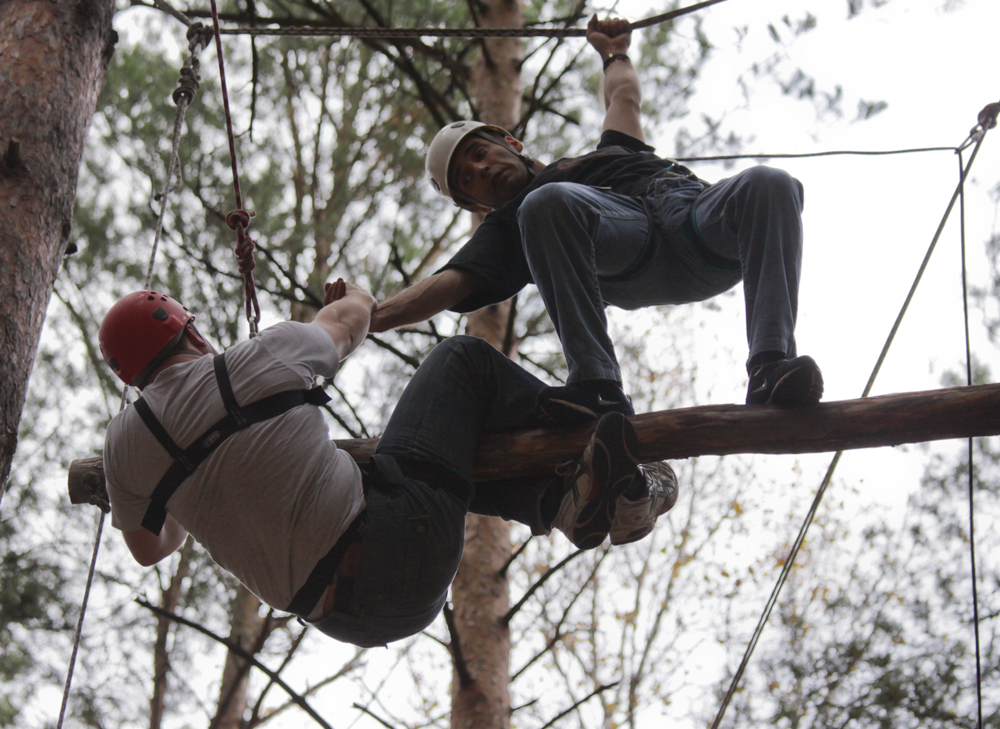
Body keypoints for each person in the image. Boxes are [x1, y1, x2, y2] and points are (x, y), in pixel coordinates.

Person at [99, 283, 677, 647]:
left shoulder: (123, 446)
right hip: (397, 542)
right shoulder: (250, 359)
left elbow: (151, 547)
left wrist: (171, 489)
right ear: (191, 332)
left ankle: (564, 501)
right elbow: (350, 323)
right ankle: (598, 460)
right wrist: (353, 297)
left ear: (129, 375)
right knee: (461, 359)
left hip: (353, 622)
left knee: (430, 462)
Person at [370, 15, 824, 421]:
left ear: (511, 141)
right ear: (477, 206)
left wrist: (615, 52)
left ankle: (769, 367)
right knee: (546, 203)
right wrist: (368, 317)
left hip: (699, 225)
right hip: (630, 248)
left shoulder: (613, 150)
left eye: (479, 153)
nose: (483, 171)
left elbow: (623, 97)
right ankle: (598, 387)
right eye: (469, 181)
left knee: (770, 182)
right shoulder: (511, 223)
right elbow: (451, 283)